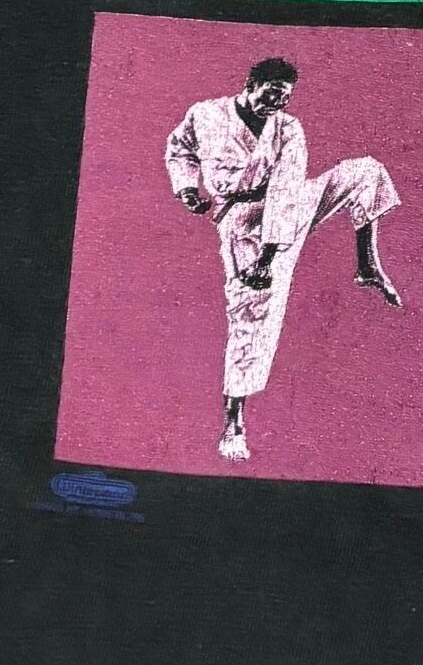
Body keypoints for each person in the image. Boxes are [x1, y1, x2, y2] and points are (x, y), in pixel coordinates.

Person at [164, 56, 404, 464]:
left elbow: (287, 189)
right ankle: (233, 421)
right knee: (251, 312)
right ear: (250, 84)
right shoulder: (205, 114)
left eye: (284, 98)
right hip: (240, 221)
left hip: (285, 210)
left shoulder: (287, 127)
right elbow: (180, 148)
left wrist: (268, 257)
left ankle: (366, 266)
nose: (276, 103)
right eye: (271, 93)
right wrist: (187, 188)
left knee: (366, 172)